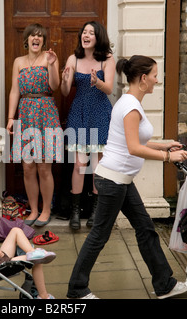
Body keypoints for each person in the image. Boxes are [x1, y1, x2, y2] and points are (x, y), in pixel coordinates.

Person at [66, 55, 187, 299]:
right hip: (114, 181)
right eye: (155, 75)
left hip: (121, 179)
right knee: (99, 236)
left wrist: (164, 145)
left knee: (145, 228)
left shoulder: (128, 102)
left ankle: (163, 284)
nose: (158, 80)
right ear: (144, 79)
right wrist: (168, 158)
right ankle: (76, 289)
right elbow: (134, 148)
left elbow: (133, 141)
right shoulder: (131, 106)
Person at [61, 21, 116, 229]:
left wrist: (97, 82)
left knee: (96, 166)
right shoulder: (73, 58)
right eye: (84, 32)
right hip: (79, 113)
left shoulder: (107, 59)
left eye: (90, 33)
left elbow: (109, 89)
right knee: (79, 164)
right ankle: (75, 213)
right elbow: (66, 92)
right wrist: (66, 79)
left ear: (98, 37)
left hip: (100, 113)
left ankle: (95, 211)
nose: (86, 35)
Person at [7, 23, 62, 227]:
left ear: (43, 41)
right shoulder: (18, 62)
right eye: (33, 35)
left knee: (43, 167)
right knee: (28, 167)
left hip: (46, 112)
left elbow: (55, 86)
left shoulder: (49, 59)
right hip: (25, 113)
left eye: (40, 36)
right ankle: (34, 210)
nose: (36, 38)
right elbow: (14, 90)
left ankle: (46, 210)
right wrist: (11, 118)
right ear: (27, 39)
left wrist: (53, 64)